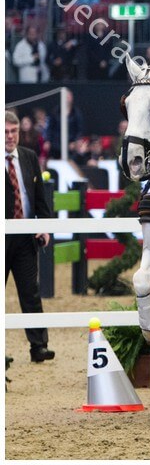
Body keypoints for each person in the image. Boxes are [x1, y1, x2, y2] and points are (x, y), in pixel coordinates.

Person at [5, 111, 55, 363]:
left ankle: (39, 346)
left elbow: (39, 197)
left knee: (30, 292)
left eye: (13, 131)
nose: (10, 136)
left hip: (25, 237)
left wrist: (44, 226)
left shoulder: (29, 157)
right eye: (5, 132)